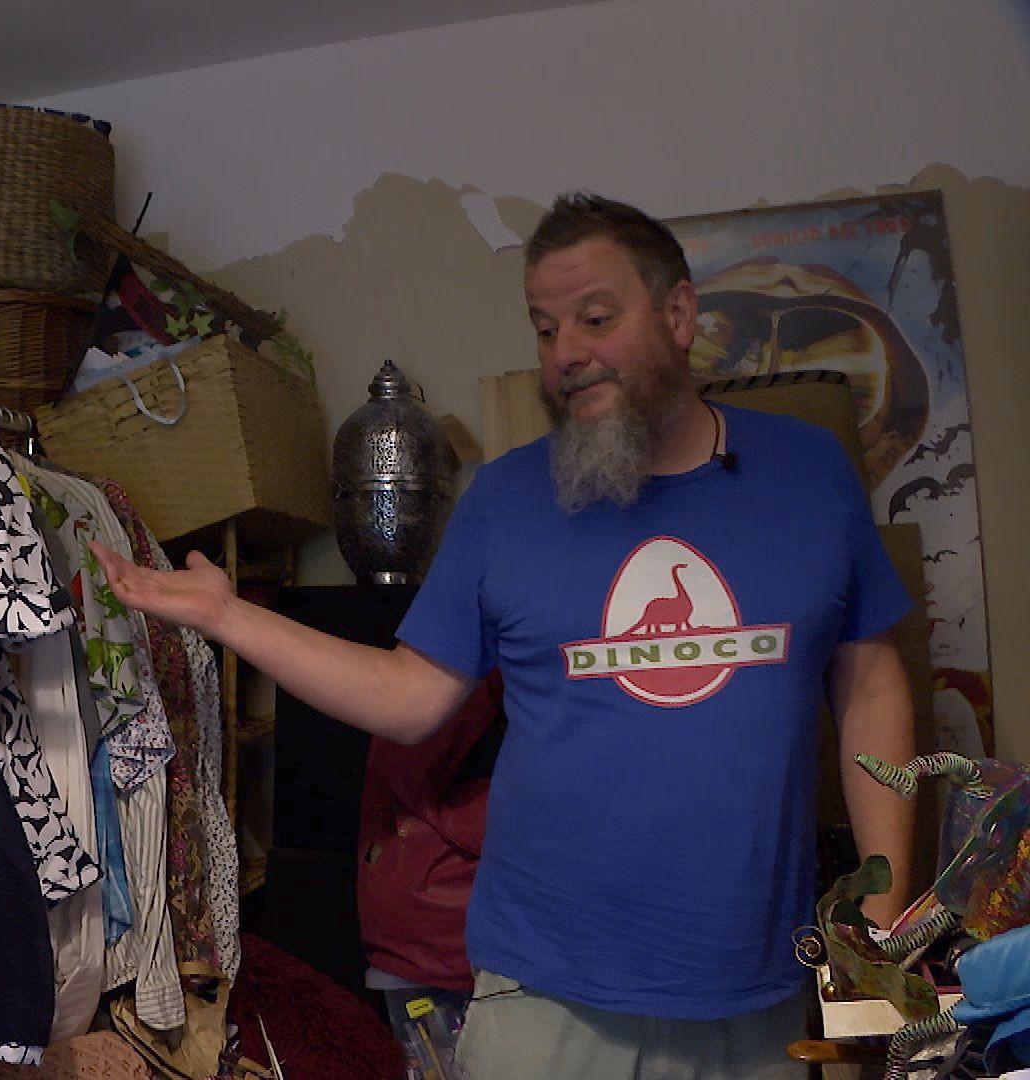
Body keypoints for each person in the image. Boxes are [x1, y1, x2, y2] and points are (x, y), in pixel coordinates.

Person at [91, 193, 918, 1080]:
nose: (567, 353)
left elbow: (869, 684)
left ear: (679, 315)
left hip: (755, 992)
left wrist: (887, 909)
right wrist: (226, 615)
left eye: (595, 319)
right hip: (543, 996)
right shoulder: (507, 500)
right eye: (545, 328)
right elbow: (408, 699)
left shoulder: (808, 474)